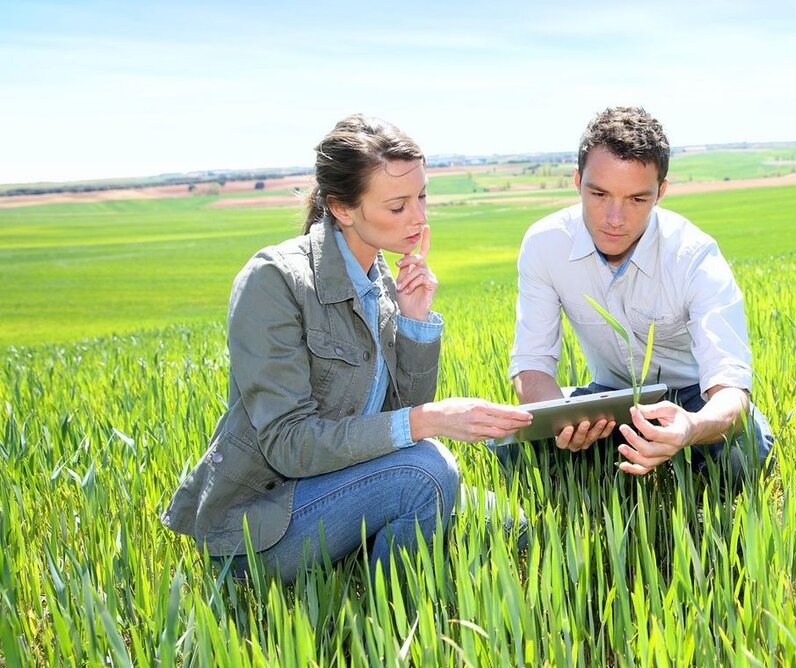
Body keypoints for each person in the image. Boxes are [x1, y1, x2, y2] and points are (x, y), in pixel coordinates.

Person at [162, 114, 532, 584]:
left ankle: (370, 548)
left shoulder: (379, 278)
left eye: (422, 197)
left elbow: (397, 418)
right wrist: (432, 421)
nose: (419, 218)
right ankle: (396, 626)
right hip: (265, 525)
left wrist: (415, 321)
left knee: (514, 528)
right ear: (341, 208)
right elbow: (288, 445)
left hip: (352, 483)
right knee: (426, 472)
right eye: (398, 206)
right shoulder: (274, 281)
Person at [506, 106, 774, 487]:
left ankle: (662, 462)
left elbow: (731, 390)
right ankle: (607, 469)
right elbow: (531, 365)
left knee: (743, 455)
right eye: (599, 194)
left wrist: (691, 428)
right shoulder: (544, 244)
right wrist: (559, 420)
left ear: (661, 192)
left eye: (636, 199)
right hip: (608, 401)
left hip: (691, 400)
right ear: (577, 180)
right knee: (511, 444)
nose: (614, 218)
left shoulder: (694, 255)